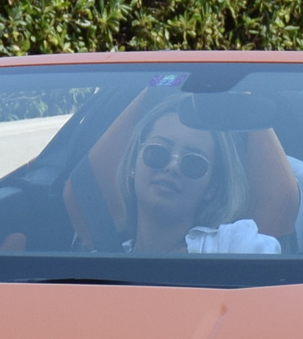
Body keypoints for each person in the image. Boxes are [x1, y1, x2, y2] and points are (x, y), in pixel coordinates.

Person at [120, 99, 281, 254]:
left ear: (212, 187)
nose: (172, 167)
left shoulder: (234, 246)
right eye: (158, 152)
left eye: (193, 163)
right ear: (132, 164)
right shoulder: (98, 260)